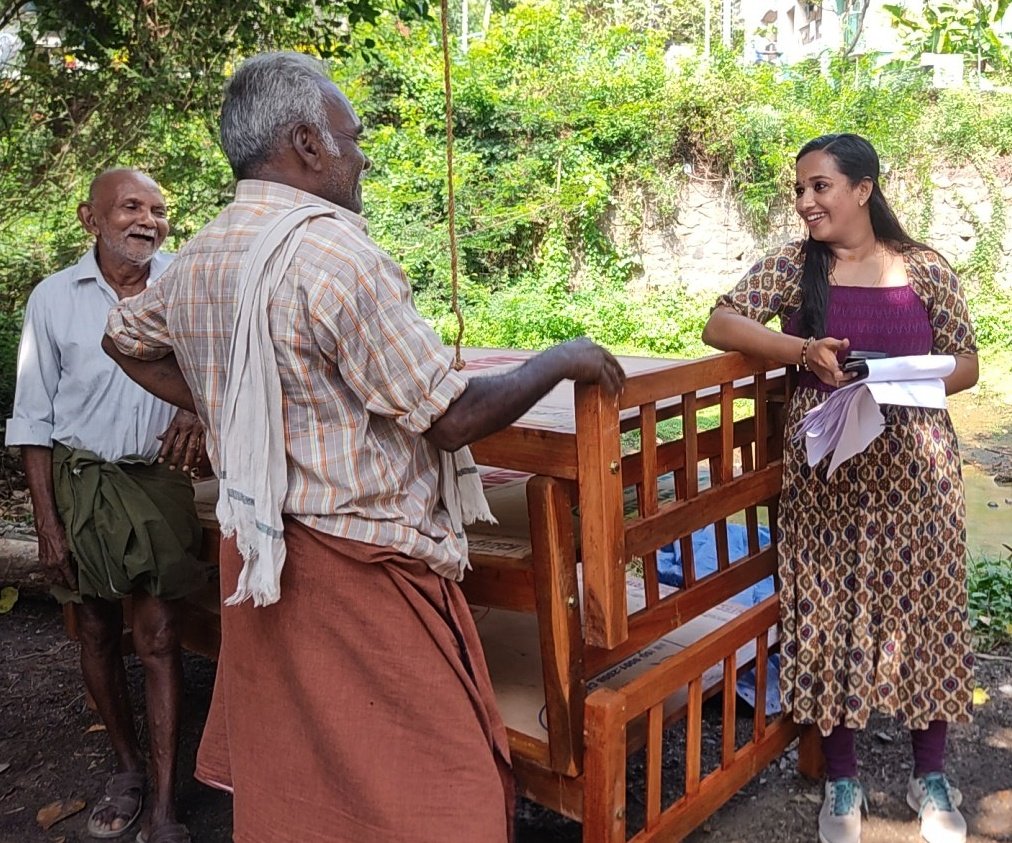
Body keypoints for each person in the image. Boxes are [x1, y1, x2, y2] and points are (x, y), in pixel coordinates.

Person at [101, 51, 625, 843]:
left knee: (308, 786)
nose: (363, 155)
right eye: (353, 136)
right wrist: (562, 358)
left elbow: (121, 336)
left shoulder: (203, 252)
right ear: (308, 143)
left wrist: (226, 405)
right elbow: (449, 416)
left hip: (265, 552)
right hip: (360, 569)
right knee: (450, 789)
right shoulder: (337, 255)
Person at [702, 134, 977, 843]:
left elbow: (968, 362)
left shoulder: (925, 268)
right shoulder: (795, 266)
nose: (805, 202)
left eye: (819, 186)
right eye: (799, 189)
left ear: (863, 189)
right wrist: (803, 351)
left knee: (926, 609)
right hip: (828, 476)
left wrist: (902, 375)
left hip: (918, 474)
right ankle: (843, 777)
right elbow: (720, 321)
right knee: (828, 614)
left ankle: (930, 774)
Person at [6, 169, 206, 843]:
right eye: (131, 207)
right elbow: (33, 416)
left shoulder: (186, 285)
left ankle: (166, 803)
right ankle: (126, 769)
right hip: (80, 481)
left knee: (160, 638)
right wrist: (46, 521)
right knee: (94, 629)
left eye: (159, 208)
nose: (149, 220)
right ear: (90, 217)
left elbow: (224, 369)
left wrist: (197, 411)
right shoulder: (54, 298)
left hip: (157, 482)